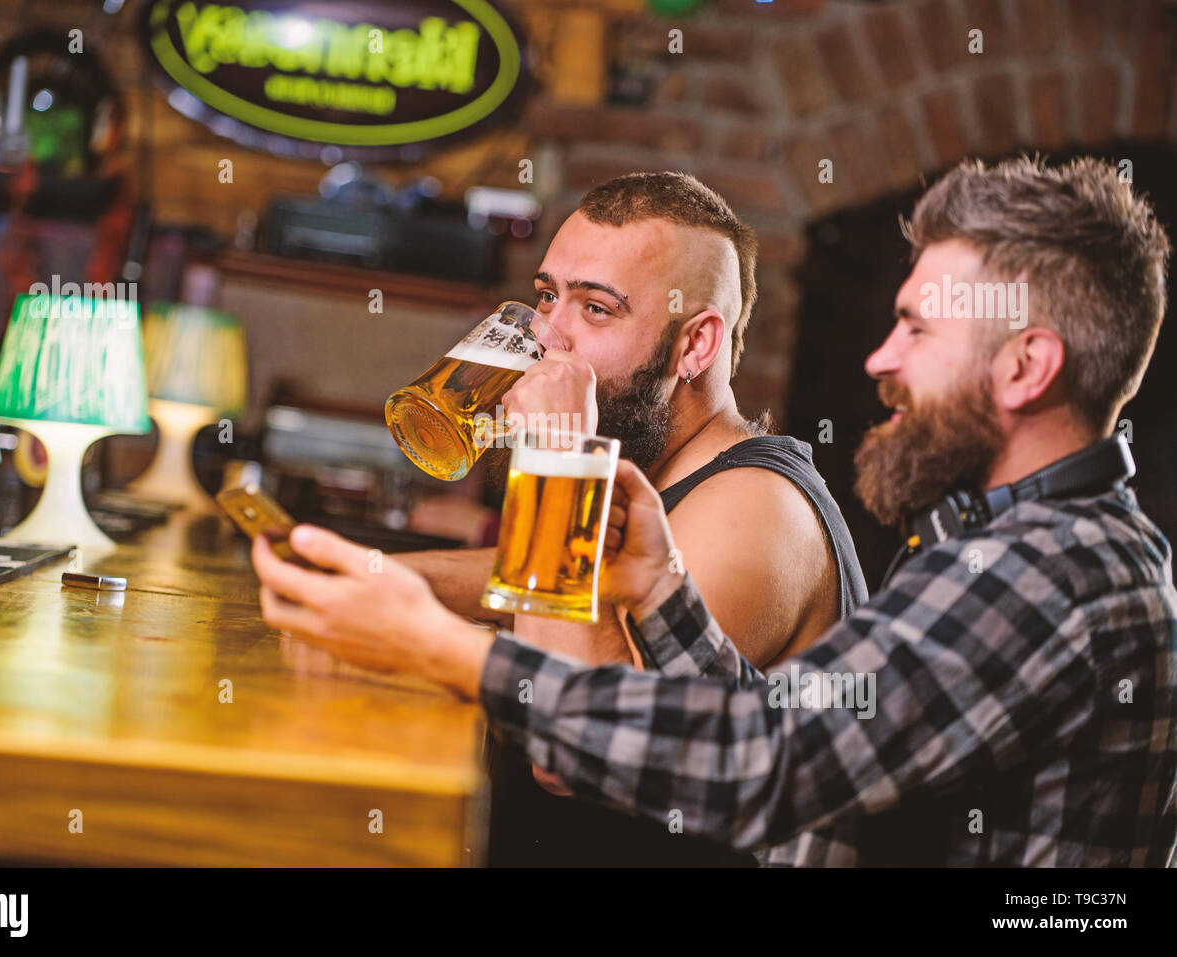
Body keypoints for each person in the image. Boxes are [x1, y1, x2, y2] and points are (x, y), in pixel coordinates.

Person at [254, 155, 1176, 865]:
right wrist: (659, 589)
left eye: (919, 332)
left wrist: (444, 625)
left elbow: (763, 761)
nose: (879, 360)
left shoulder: (1045, 575)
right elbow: (795, 739)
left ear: (1026, 367)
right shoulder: (1007, 543)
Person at [395, 171, 867, 864]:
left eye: (597, 310)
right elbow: (551, 582)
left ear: (696, 346)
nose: (546, 338)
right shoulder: (661, 474)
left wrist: (557, 462)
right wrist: (384, 577)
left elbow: (571, 752)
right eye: (548, 296)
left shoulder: (758, 509)